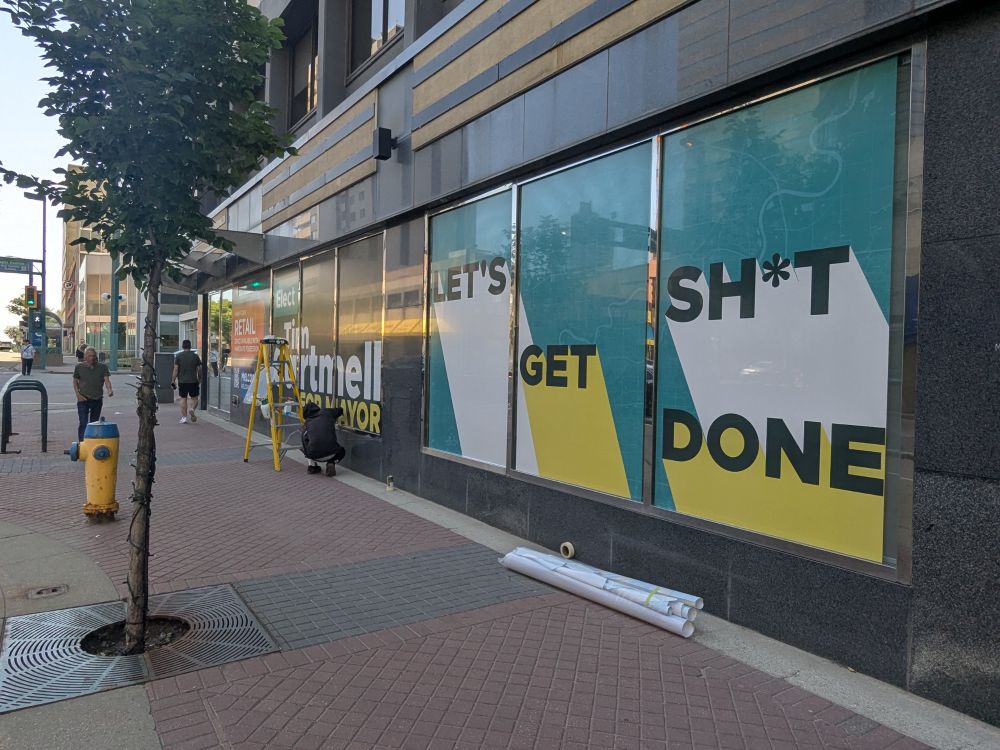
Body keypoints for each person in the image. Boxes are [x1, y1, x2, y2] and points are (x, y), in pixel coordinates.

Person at [73, 346, 113, 441]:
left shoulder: (102, 367)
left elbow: (107, 380)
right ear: (85, 357)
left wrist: (109, 390)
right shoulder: (79, 367)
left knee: (94, 423)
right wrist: (78, 395)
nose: (92, 358)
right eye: (90, 356)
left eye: (94, 356)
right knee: (83, 423)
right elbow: (75, 382)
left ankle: (91, 442)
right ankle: (82, 444)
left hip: (97, 399)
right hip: (83, 398)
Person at [301, 403, 345, 476]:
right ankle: (332, 462)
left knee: (305, 439)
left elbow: (305, 441)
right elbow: (340, 410)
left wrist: (307, 453)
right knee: (342, 451)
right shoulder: (326, 412)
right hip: (332, 453)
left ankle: (312, 467)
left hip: (314, 456)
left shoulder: (307, 423)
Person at [171, 339, 202, 424]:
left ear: (183, 346)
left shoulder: (179, 356)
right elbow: (199, 369)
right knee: (195, 398)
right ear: (190, 346)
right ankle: (192, 409)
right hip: (193, 381)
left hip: (182, 381)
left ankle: (184, 418)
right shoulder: (195, 356)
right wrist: (200, 378)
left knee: (183, 399)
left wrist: (173, 380)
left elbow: (176, 369)